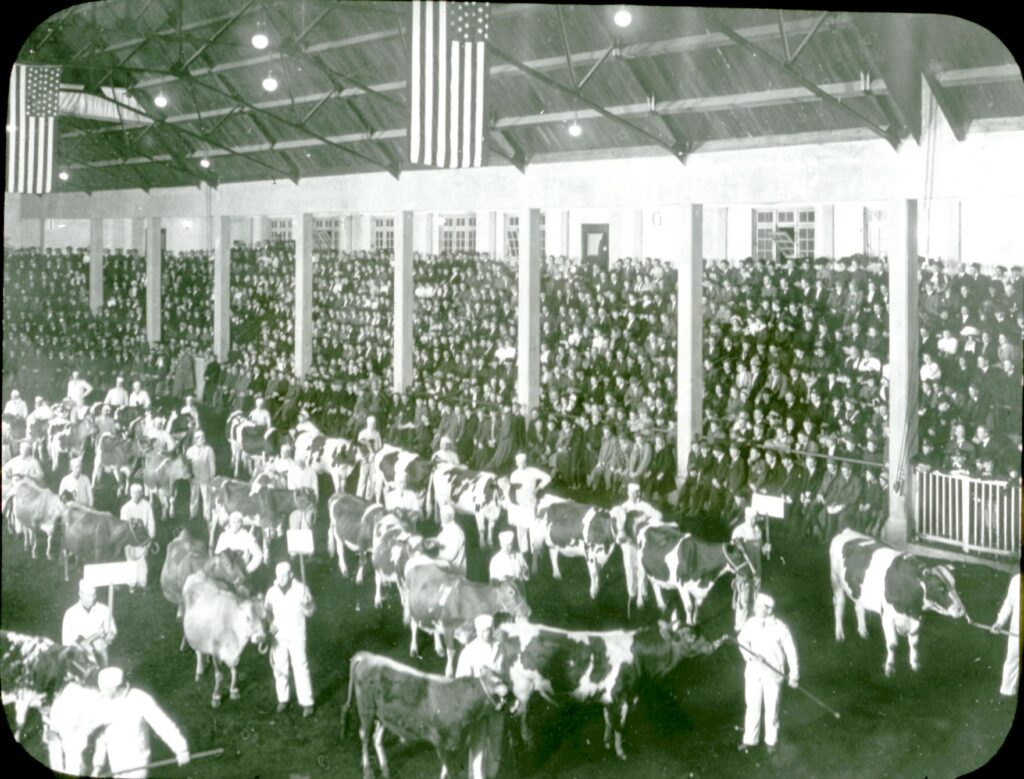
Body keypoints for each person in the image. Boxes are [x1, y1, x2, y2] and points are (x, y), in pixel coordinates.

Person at [91, 666, 190, 779]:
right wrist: (98, 766)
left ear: (114, 688)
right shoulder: (103, 704)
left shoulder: (140, 699)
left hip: (137, 765)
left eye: (103, 689)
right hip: (116, 766)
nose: (101, 692)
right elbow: (102, 737)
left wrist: (181, 749)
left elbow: (163, 724)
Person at [737, 592, 799, 756]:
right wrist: (750, 656)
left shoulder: (780, 627)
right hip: (753, 673)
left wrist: (794, 675)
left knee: (772, 709)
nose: (756, 609)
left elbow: (791, 651)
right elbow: (741, 641)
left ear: (769, 609)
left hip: (773, 675)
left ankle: (771, 741)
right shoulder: (750, 623)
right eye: (756, 606)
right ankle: (750, 740)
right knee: (752, 707)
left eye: (759, 606)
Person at [265, 561, 315, 717]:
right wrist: (270, 624)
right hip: (279, 635)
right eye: (278, 575)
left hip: (297, 633)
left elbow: (311, 612)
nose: (280, 578)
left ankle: (307, 702)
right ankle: (283, 698)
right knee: (280, 667)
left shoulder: (301, 589)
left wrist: (308, 603)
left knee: (300, 665)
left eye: (283, 575)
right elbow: (266, 611)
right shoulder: (272, 592)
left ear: (291, 574)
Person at [506, 453, 551, 560]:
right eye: (519, 463)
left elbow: (547, 477)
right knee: (521, 527)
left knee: (532, 525)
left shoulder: (532, 471)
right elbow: (511, 489)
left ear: (526, 462)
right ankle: (523, 550)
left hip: (530, 502)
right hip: (519, 503)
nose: (521, 465)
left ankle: (534, 550)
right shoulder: (514, 475)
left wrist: (538, 488)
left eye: (523, 462)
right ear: (516, 463)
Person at [62, 581, 116, 665]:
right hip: (80, 658)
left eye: (93, 595)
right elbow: (66, 642)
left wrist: (110, 636)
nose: (91, 599)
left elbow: (112, 631)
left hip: (100, 656)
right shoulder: (70, 613)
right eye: (88, 595)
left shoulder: (104, 610)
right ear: (80, 594)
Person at [731, 507, 766, 632]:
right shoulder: (738, 531)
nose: (753, 521)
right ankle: (740, 626)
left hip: (757, 568)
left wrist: (765, 549)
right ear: (745, 517)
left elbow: (761, 550)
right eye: (751, 519)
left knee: (755, 595)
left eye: (755, 519)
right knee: (743, 598)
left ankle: (752, 622)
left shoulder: (758, 531)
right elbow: (734, 554)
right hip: (744, 570)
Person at [119, 485, 156, 591]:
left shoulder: (147, 506)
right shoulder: (125, 508)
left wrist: (151, 538)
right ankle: (131, 585)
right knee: (130, 562)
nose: (136, 495)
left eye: (138, 492)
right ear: (130, 494)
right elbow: (124, 526)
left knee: (142, 562)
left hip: (143, 541)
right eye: (133, 492)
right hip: (129, 541)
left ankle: (142, 584)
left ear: (142, 493)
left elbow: (151, 523)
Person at [991, 572, 1020, 698]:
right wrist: (999, 623)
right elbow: (1008, 604)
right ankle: (1006, 693)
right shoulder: (1016, 580)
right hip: (1016, 631)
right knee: (1012, 661)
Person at [184, 431, 216, 523]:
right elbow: (187, 465)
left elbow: (212, 464)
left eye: (203, 438)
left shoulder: (208, 450)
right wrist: (188, 475)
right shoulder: (190, 451)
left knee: (206, 498)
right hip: (194, 478)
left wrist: (212, 475)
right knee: (194, 497)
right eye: (200, 438)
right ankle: (193, 514)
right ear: (195, 440)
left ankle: (207, 517)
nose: (203, 440)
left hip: (205, 478)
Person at [456, 614, 501, 678]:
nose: (481, 634)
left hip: (500, 685)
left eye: (485, 631)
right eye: (478, 631)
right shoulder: (468, 651)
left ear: (492, 630)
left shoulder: (500, 646)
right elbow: (463, 680)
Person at [356, 415, 383, 499]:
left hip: (373, 460)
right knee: (362, 478)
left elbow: (379, 447)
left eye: (374, 424)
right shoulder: (362, 433)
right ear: (367, 424)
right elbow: (359, 447)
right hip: (364, 459)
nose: (372, 425)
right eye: (370, 424)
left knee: (371, 479)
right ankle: (359, 497)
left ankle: (368, 498)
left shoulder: (377, 434)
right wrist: (363, 457)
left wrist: (374, 455)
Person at [435, 504, 467, 576]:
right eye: (441, 514)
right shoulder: (446, 530)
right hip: (447, 571)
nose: (441, 517)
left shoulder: (455, 531)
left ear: (452, 516)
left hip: (455, 574)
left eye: (444, 515)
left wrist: (432, 559)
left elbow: (450, 556)